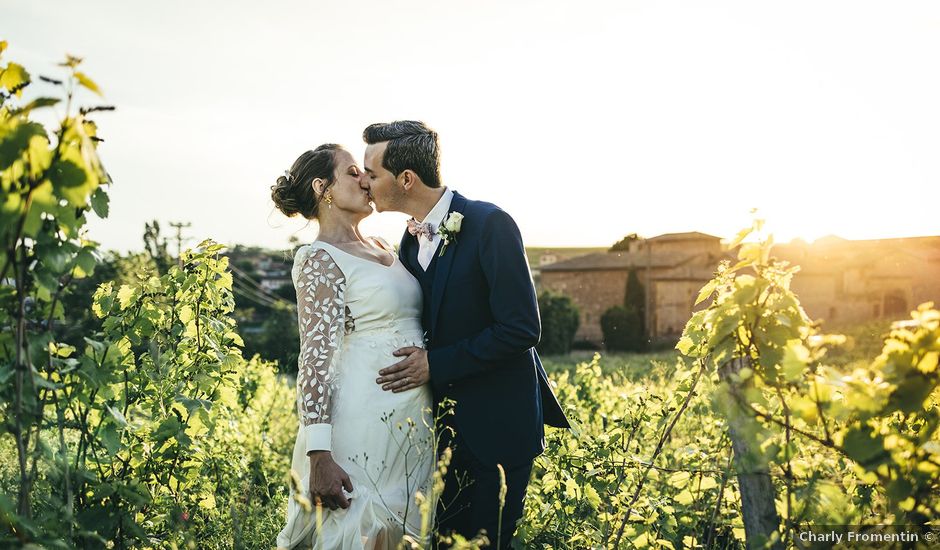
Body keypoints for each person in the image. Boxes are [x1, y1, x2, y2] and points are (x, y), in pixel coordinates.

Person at [361, 121, 570, 549]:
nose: (364, 181)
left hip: (498, 429)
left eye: (372, 172)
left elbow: (521, 328)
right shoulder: (407, 241)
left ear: (405, 179)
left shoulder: (490, 223)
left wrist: (434, 364)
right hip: (440, 436)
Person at [273, 144, 434, 550]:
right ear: (322, 187)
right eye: (351, 172)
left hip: (411, 422)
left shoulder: (384, 246)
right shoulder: (320, 259)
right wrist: (319, 456)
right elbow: (314, 360)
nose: (366, 180)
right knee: (360, 530)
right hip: (361, 424)